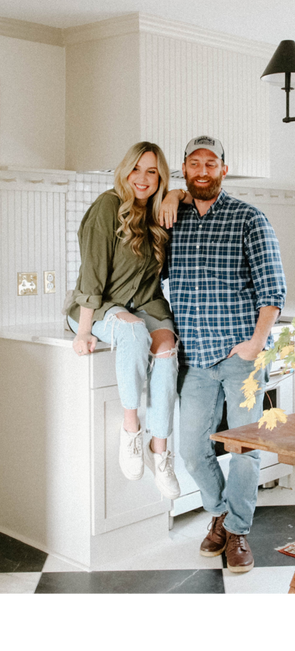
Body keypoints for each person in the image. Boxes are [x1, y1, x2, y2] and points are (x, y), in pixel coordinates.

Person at [160, 135, 286, 573]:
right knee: (193, 450)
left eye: (210, 163)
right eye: (194, 163)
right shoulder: (173, 218)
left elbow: (273, 290)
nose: (202, 170)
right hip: (193, 358)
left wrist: (255, 343)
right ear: (184, 169)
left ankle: (237, 532)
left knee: (245, 449)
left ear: (223, 170)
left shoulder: (249, 218)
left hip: (241, 357)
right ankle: (220, 514)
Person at [67, 142, 181, 500]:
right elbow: (92, 271)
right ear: (125, 170)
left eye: (152, 172)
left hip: (146, 304)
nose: (143, 179)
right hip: (102, 307)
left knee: (166, 350)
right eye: (137, 169)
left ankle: (160, 451)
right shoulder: (108, 206)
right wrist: (84, 330)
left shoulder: (159, 212)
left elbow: (201, 190)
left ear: (160, 176)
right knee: (132, 332)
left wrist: (176, 194)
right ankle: (131, 430)